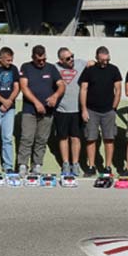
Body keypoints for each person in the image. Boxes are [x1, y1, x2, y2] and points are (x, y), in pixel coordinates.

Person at [18, 44, 64, 173]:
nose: (42, 62)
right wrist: (36, 103)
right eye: (39, 60)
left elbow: (61, 85)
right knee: (27, 138)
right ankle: (23, 164)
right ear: (33, 57)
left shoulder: (51, 68)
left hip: (48, 112)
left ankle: (37, 164)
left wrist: (55, 96)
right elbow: (24, 87)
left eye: (44, 59)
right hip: (30, 110)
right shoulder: (26, 67)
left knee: (42, 139)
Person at [78, 45, 122, 176]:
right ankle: (91, 166)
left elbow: (118, 89)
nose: (105, 63)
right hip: (91, 110)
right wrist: (84, 109)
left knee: (109, 139)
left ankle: (107, 167)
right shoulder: (89, 70)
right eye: (102, 60)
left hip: (108, 111)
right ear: (97, 58)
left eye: (107, 60)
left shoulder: (114, 69)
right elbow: (83, 89)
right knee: (91, 139)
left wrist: (114, 107)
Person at [53, 47, 85, 175]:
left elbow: (92, 63)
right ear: (61, 60)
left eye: (72, 56)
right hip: (61, 109)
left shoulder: (80, 64)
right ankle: (65, 164)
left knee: (76, 137)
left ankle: (75, 164)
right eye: (68, 58)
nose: (71, 59)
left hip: (77, 109)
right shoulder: (54, 68)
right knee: (63, 137)